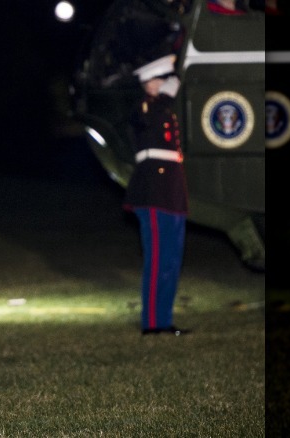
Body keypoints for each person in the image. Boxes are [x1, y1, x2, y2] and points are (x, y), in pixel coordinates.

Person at [126, 54, 190, 336]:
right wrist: (164, 96)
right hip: (152, 191)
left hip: (172, 190)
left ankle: (164, 319)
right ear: (149, 83)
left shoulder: (166, 109)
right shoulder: (145, 107)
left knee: (172, 259)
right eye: (159, 81)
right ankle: (151, 323)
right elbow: (145, 121)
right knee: (157, 259)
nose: (164, 87)